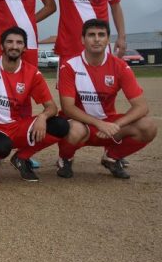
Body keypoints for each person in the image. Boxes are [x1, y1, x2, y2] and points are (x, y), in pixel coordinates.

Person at [56, 19, 156, 179]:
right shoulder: (69, 66)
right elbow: (68, 108)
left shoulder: (120, 66)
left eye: (101, 35)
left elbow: (141, 106)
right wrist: (99, 124)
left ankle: (112, 157)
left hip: (108, 126)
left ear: (107, 40)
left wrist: (115, 125)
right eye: (91, 35)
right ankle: (65, 158)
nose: (96, 39)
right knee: (75, 130)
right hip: (80, 125)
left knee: (148, 126)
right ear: (82, 40)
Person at [0, 27, 70, 182]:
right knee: (1, 147)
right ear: (1, 46)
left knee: (60, 125)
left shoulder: (32, 73)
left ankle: (21, 157)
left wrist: (42, 116)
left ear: (25, 48)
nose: (14, 46)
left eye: (19, 42)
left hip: (17, 126)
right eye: (10, 42)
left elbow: (52, 107)